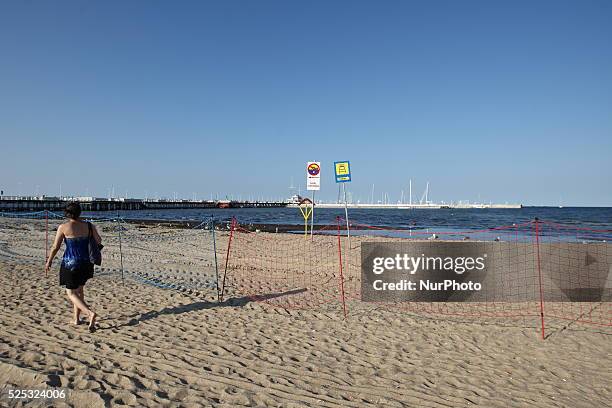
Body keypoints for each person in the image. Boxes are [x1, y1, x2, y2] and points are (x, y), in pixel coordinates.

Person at [45, 202, 101, 332]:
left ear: (67, 213)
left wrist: (49, 261)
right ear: (79, 212)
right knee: (79, 291)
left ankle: (89, 313)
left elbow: (55, 247)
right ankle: (76, 319)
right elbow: (99, 241)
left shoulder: (64, 227)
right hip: (86, 263)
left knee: (70, 292)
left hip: (71, 263)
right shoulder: (89, 226)